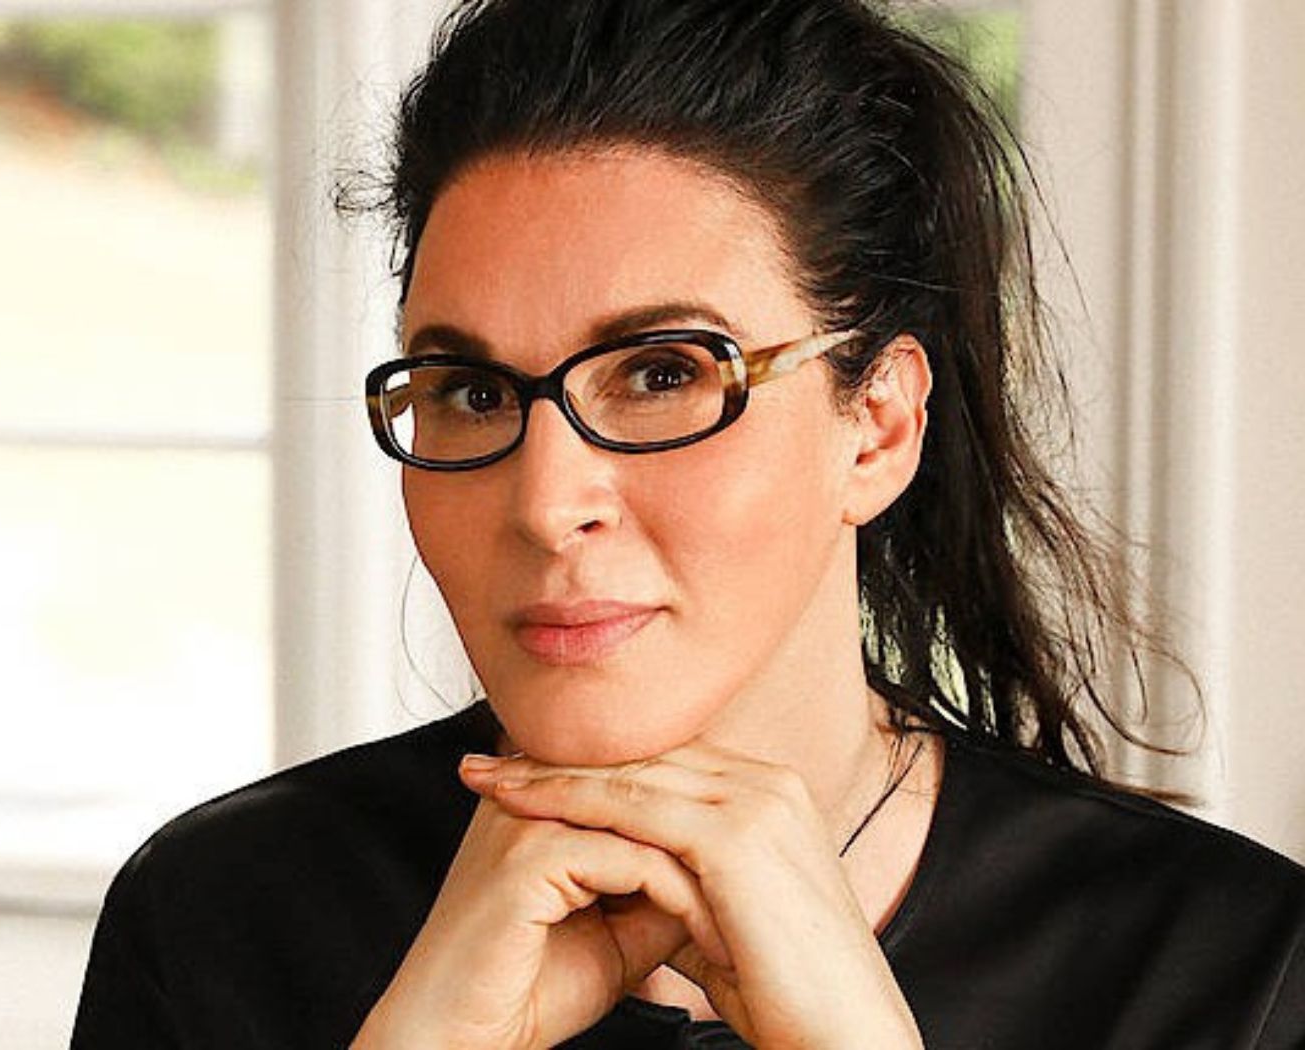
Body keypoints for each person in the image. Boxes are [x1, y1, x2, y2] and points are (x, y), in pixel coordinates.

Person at [71, 1, 1305, 1047]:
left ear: (873, 425)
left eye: (663, 374)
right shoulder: (214, 923)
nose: (548, 503)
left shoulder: (1231, 972)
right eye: (470, 392)